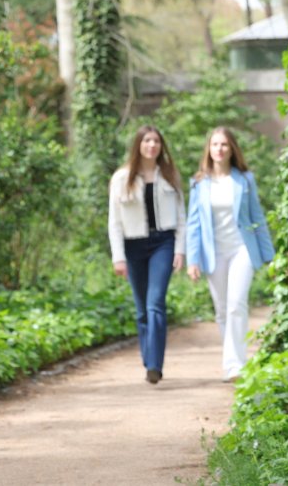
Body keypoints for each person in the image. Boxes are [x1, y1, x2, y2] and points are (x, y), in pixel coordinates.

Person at [185, 127, 274, 383]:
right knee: (222, 310)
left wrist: (269, 256)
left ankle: (236, 365)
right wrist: (193, 259)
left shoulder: (244, 179)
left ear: (232, 148)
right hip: (214, 253)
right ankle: (231, 360)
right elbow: (194, 224)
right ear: (209, 149)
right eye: (215, 144)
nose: (220, 149)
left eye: (224, 144)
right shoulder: (199, 182)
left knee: (237, 304)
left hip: (241, 249)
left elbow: (257, 218)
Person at [108, 125, 187, 385]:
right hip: (133, 245)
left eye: (156, 141)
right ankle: (148, 358)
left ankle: (154, 364)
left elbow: (182, 218)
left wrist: (179, 250)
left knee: (155, 303)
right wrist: (118, 257)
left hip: (163, 242)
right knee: (141, 310)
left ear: (161, 146)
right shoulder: (121, 178)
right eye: (147, 141)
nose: (152, 146)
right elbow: (114, 222)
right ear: (138, 145)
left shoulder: (169, 175)